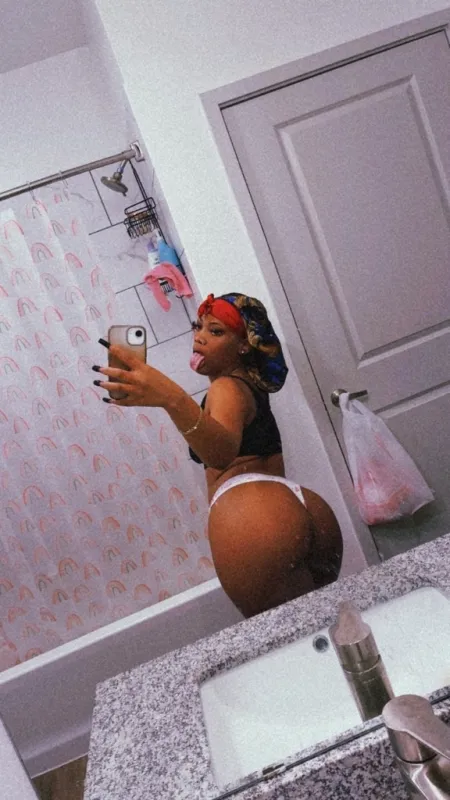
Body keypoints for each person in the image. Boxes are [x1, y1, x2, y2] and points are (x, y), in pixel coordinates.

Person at [93, 292, 343, 618]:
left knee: (291, 638)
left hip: (253, 522)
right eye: (198, 327)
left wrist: (170, 398)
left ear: (244, 346)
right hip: (302, 507)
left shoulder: (225, 387)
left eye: (216, 331)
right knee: (329, 626)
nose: (199, 337)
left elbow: (221, 453)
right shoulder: (245, 384)